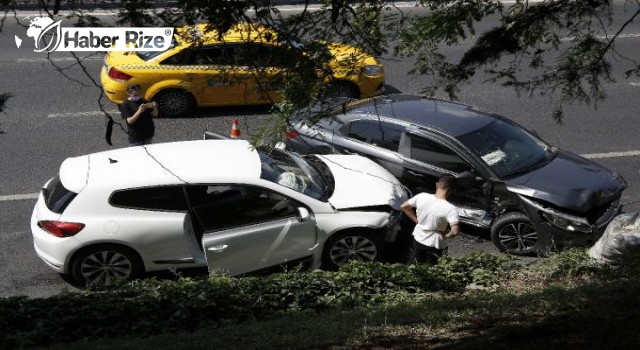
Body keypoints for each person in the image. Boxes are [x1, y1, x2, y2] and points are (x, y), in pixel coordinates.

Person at [400, 175, 460, 265]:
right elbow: (455, 232)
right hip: (435, 242)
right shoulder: (451, 209)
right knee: (430, 269)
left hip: (419, 236)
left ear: (437, 185)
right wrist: (446, 234)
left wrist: (416, 220)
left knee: (415, 263)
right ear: (451, 190)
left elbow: (404, 206)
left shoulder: (422, 196)